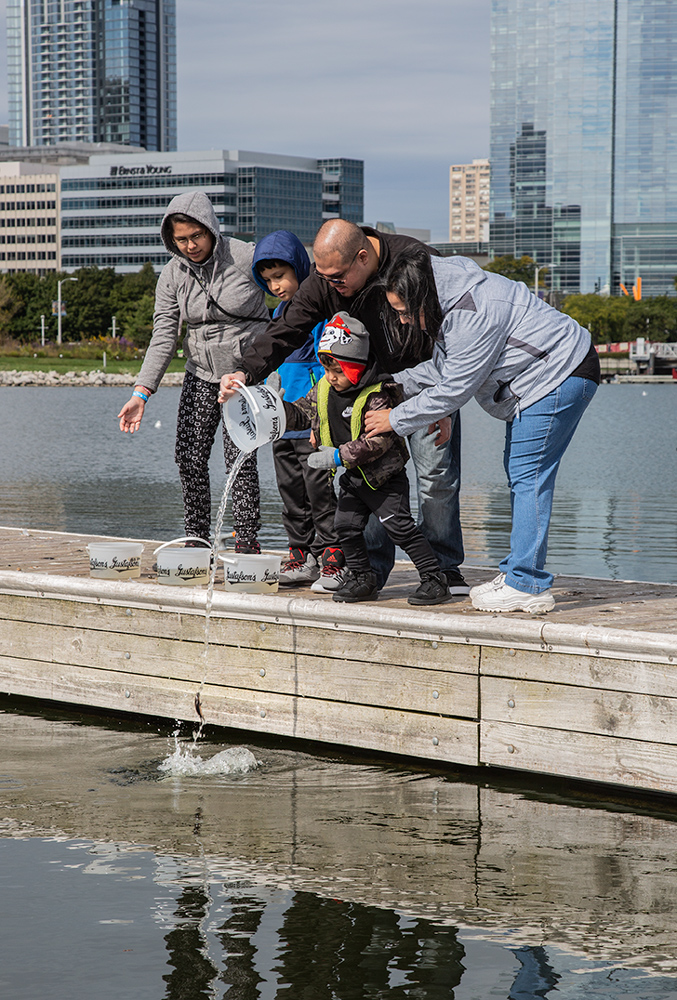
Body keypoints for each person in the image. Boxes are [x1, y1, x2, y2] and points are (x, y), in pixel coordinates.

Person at [217, 219, 468, 595]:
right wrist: (244, 372)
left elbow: (452, 332)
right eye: (323, 275)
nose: (330, 284)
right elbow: (286, 328)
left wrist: (447, 399)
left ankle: (444, 569)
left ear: (363, 257)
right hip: (364, 396)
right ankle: (369, 571)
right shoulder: (326, 279)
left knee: (435, 479)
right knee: (368, 478)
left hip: (426, 386)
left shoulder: (417, 261)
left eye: (336, 277)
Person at [365, 244, 600, 613]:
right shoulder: (449, 299)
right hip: (539, 378)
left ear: (422, 296)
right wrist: (391, 384)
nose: (404, 321)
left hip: (557, 373)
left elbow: (455, 388)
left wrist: (392, 420)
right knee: (522, 475)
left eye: (404, 312)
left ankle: (528, 583)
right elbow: (443, 369)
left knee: (530, 477)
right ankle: (517, 574)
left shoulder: (473, 311)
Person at [118, 191, 269, 551]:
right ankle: (197, 540)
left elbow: (292, 289)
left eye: (196, 237)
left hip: (246, 375)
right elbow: (164, 335)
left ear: (211, 229)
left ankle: (246, 542)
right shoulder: (172, 274)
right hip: (201, 373)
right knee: (188, 456)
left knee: (240, 460)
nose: (190, 246)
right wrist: (142, 392)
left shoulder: (245, 257)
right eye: (181, 240)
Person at [279, 312, 450, 606]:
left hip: (384, 479)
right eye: (327, 368)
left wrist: (337, 456)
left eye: (339, 371)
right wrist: (276, 408)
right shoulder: (323, 388)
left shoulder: (378, 394)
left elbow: (378, 442)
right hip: (354, 479)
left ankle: (435, 579)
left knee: (401, 530)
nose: (332, 377)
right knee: (344, 525)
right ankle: (362, 577)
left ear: (357, 366)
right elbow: (301, 413)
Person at [251, 230, 345, 590]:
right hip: (283, 424)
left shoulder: (321, 313)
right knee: (290, 491)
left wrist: (323, 419)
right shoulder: (278, 314)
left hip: (314, 423)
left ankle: (332, 553)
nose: (275, 286)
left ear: (301, 271)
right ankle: (300, 552)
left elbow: (329, 369)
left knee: (320, 489)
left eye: (281, 276)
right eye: (268, 280)